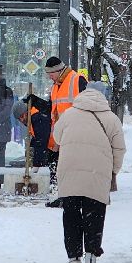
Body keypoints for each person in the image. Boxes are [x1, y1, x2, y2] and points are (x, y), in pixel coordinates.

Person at [50, 74, 126, 263]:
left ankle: (74, 255)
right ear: (104, 96)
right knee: (95, 214)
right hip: (97, 172)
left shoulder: (69, 114)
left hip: (70, 170)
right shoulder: (111, 118)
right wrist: (112, 172)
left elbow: (57, 137)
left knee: (71, 213)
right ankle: (91, 256)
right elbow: (119, 149)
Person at [44, 56, 84, 193]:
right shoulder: (55, 86)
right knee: (55, 164)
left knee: (68, 166)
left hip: (74, 132)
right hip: (59, 135)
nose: (50, 77)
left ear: (59, 70)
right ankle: (57, 193)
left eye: (51, 74)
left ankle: (67, 194)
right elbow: (53, 107)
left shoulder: (77, 80)